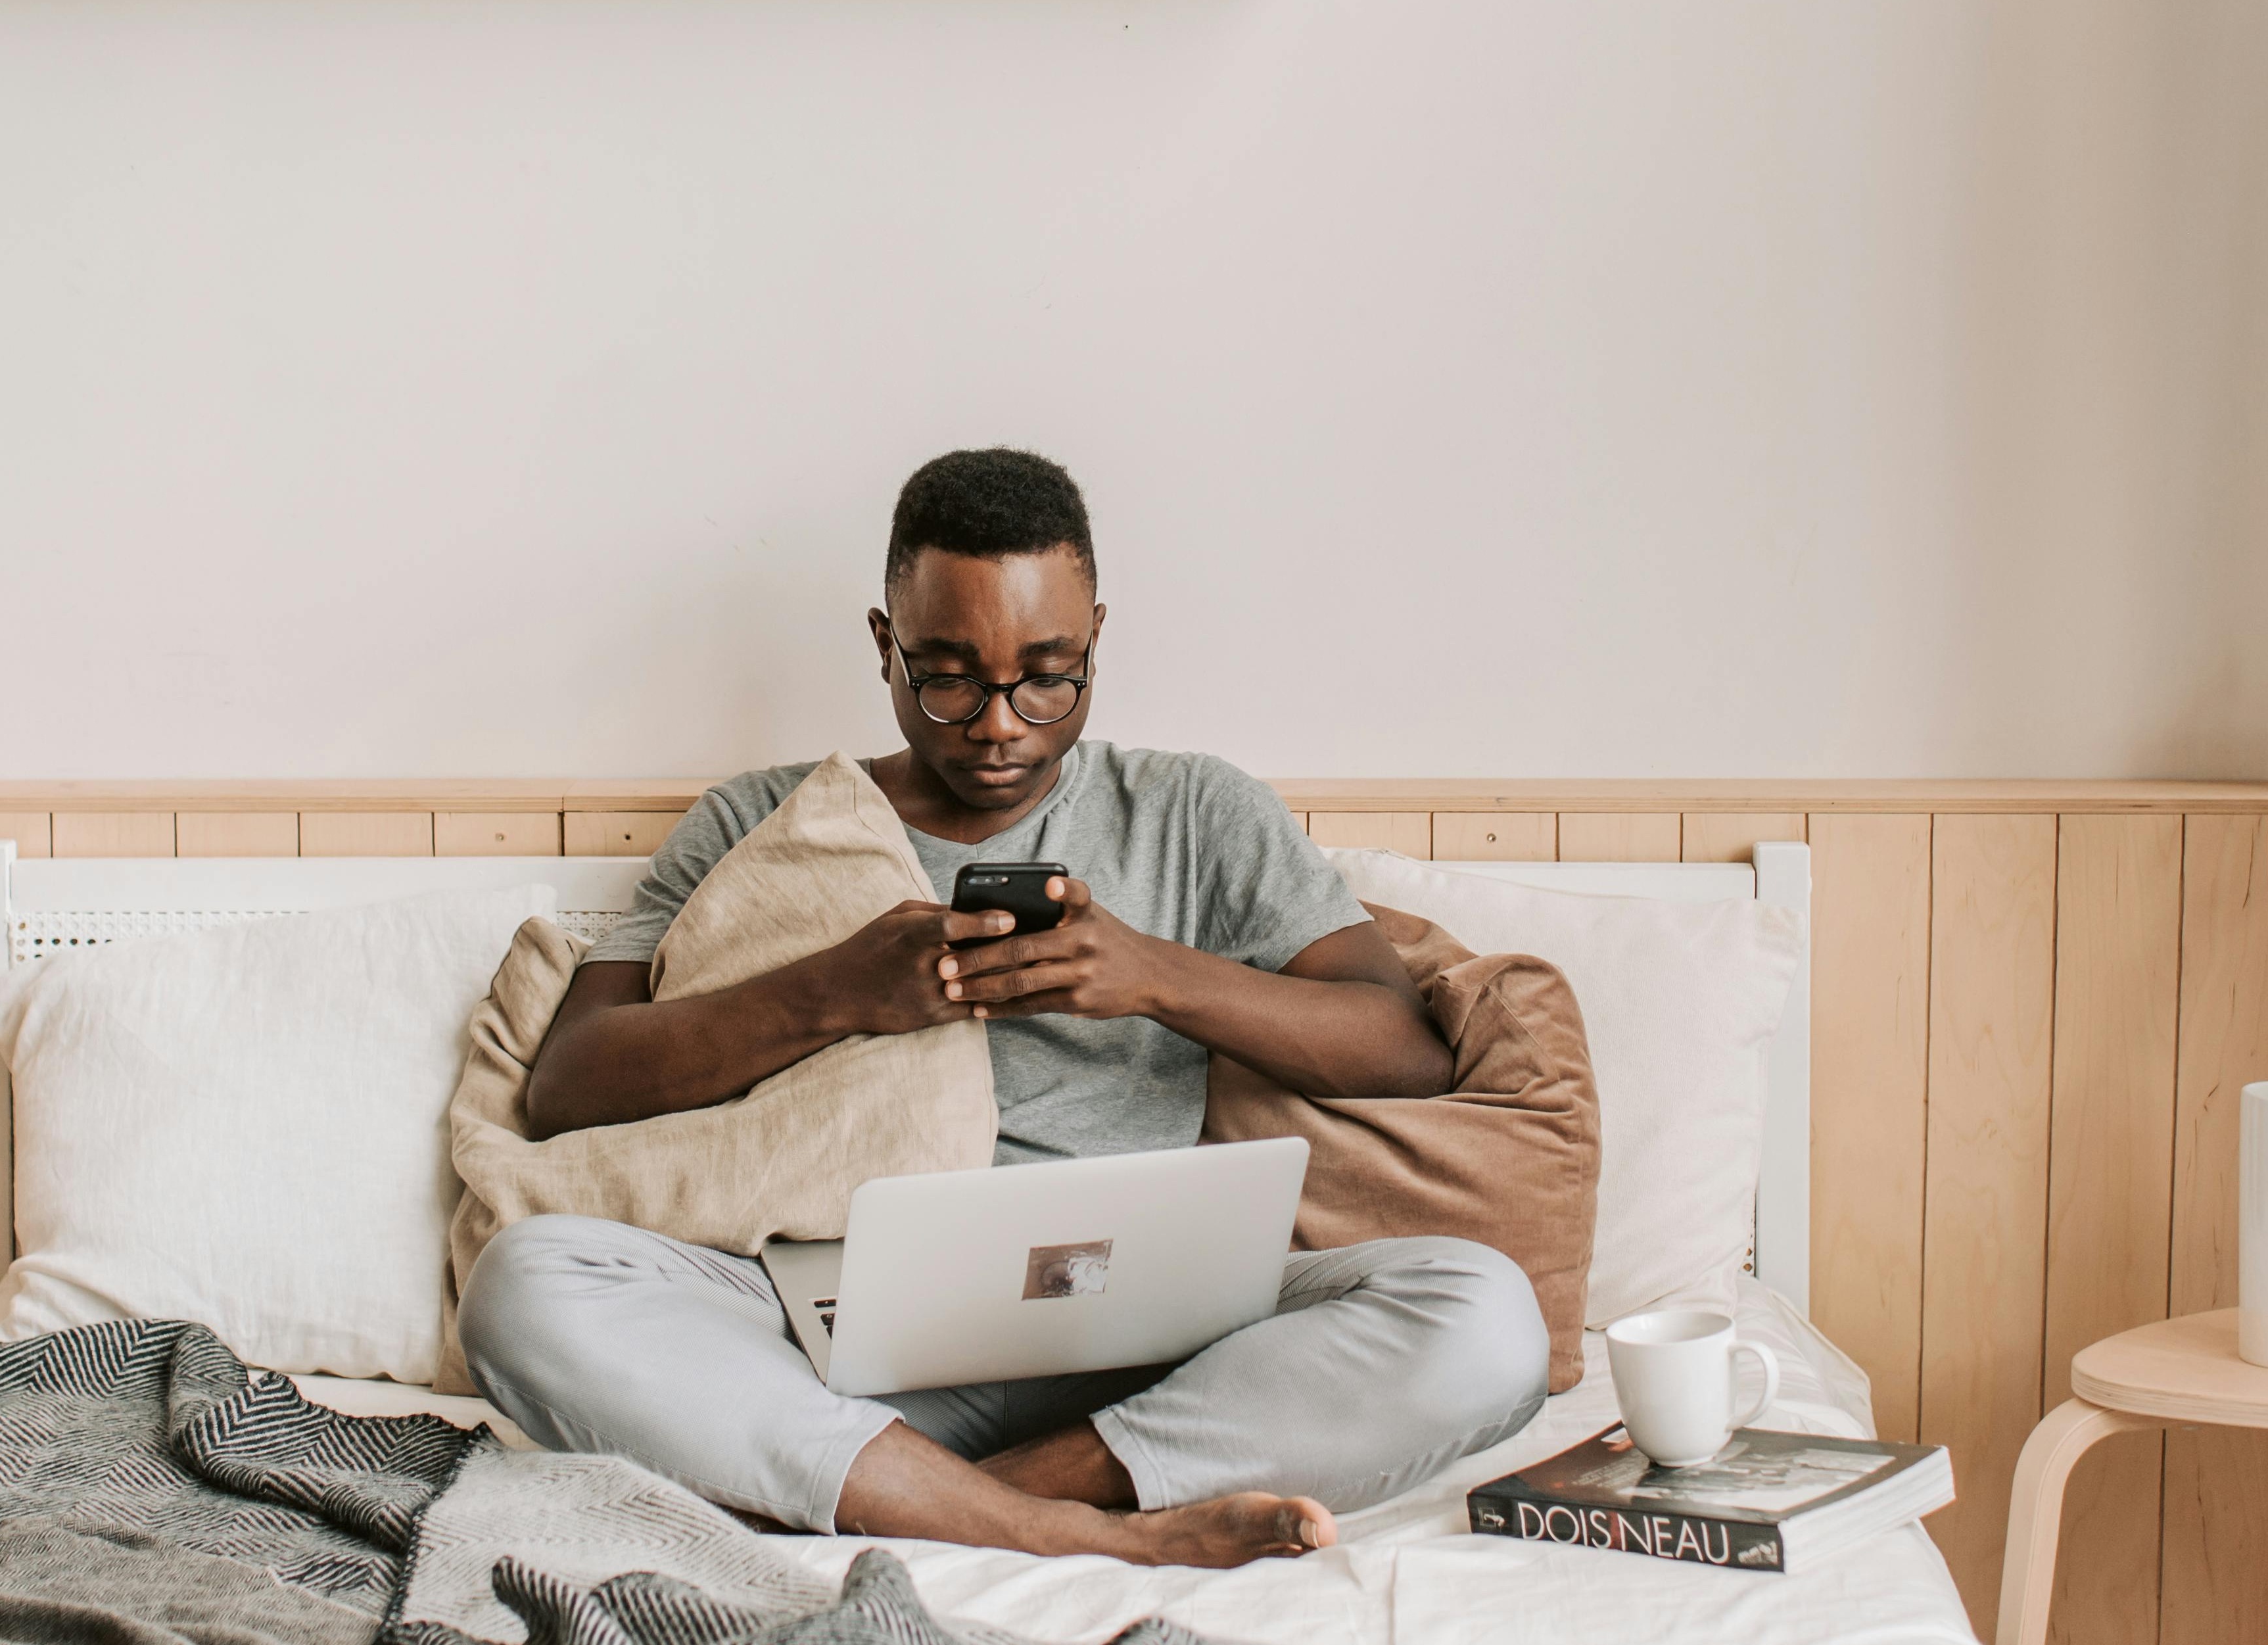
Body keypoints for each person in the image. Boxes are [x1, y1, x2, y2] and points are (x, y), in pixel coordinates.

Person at [458, 449, 1549, 1569]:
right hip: (822, 1344)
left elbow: (1403, 1046)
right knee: (523, 1288)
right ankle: (1049, 1529)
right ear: (884, 644)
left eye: (1049, 676)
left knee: (1484, 1314)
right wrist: (837, 991)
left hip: (1146, 1351)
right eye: (947, 677)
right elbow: (569, 1085)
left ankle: (968, 1498)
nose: (999, 725)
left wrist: (1151, 974)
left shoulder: (1193, 812)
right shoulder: (762, 817)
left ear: (1095, 640)